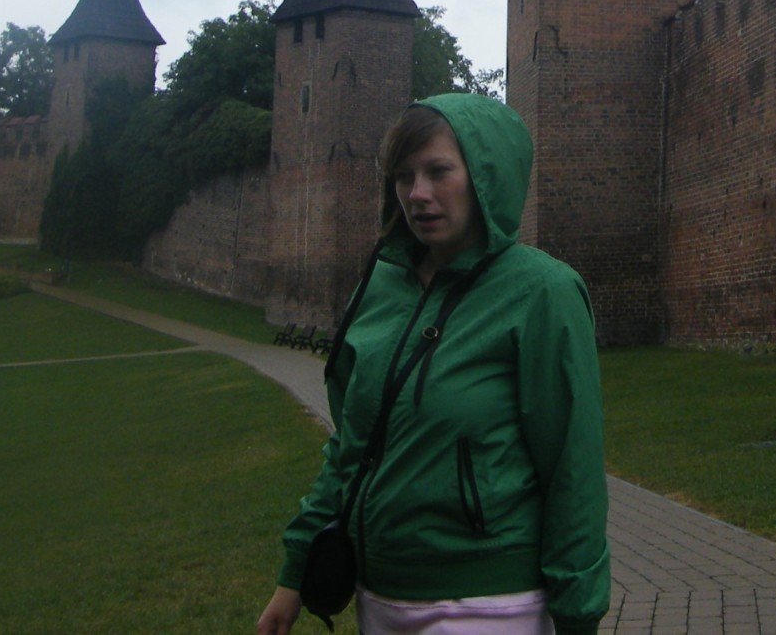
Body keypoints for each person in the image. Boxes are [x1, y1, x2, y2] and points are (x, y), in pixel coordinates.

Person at [258, 94, 609, 635]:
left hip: (488, 605)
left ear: (486, 176)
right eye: (403, 176)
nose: (417, 194)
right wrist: (295, 569)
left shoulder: (543, 292)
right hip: (380, 598)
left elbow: (572, 467)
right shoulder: (380, 285)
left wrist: (577, 615)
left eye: (438, 171)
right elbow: (354, 444)